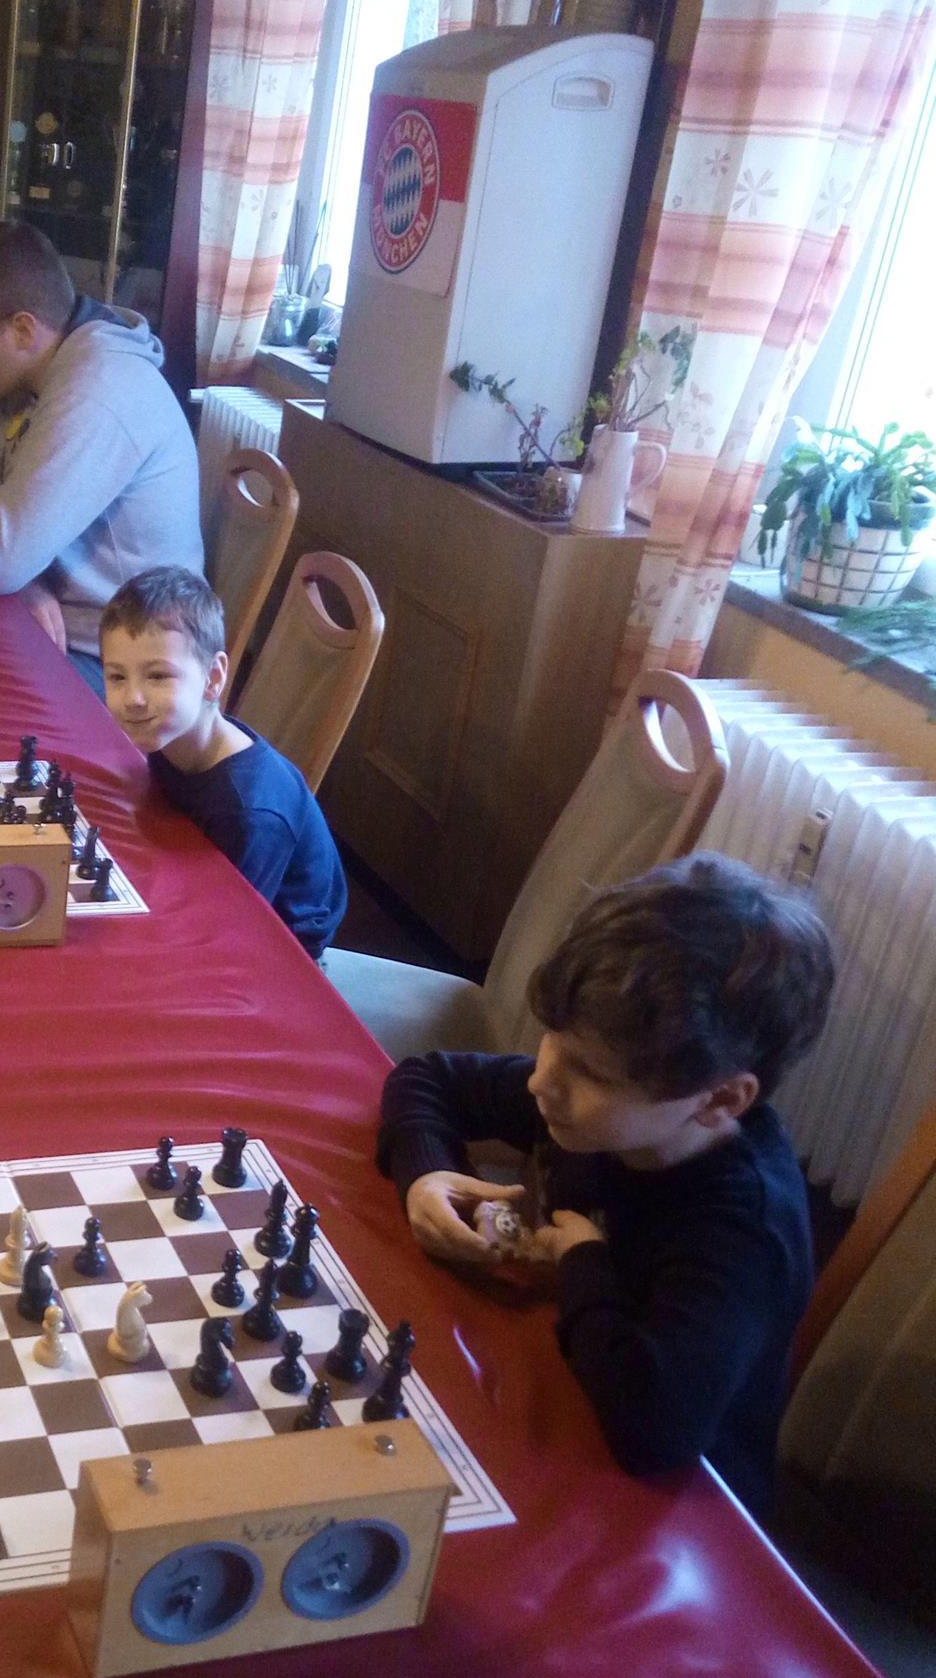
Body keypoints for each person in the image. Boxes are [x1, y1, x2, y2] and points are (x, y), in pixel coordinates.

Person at [377, 854, 836, 1514]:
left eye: (589, 1072)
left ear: (720, 1099)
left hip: (682, 1512)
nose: (543, 1081)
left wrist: (581, 1263)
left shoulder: (742, 1236)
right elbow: (426, 1080)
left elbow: (655, 1431)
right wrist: (426, 1174)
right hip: (559, 1391)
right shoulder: (609, 1104)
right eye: (552, 1040)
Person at [0, 220, 202, 694]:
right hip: (67, 628)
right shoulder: (34, 376)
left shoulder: (95, 394)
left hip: (130, 668)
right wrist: (27, 580)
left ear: (24, 329)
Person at [100, 565, 347, 957]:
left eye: (158, 676)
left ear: (213, 678)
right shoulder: (173, 735)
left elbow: (226, 935)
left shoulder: (246, 812)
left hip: (281, 954)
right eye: (117, 677)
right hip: (197, 880)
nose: (133, 698)